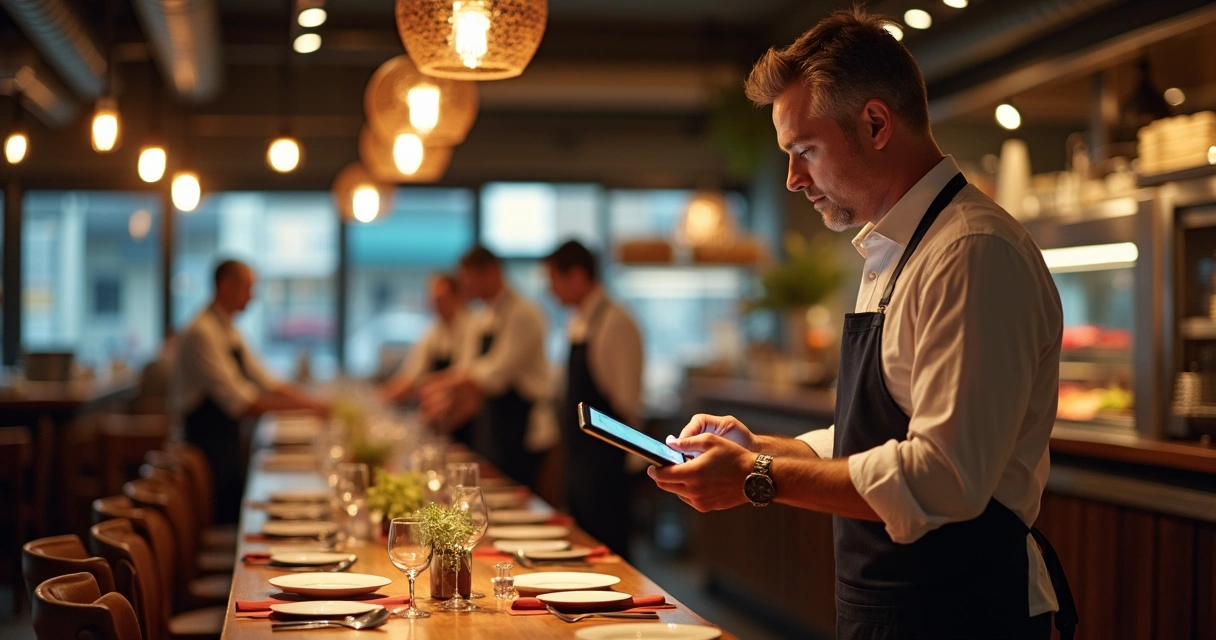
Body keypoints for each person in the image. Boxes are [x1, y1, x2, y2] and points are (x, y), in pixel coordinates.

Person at [649, 10, 1078, 640]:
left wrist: (757, 479)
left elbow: (943, 476)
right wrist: (761, 449)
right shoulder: (895, 249)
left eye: (805, 151)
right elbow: (879, 437)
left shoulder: (972, 251)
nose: (794, 179)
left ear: (876, 123)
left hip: (965, 613)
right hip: (894, 606)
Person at [174, 259, 328, 524]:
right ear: (225, 286)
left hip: (225, 441)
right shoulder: (202, 332)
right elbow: (242, 402)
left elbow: (267, 381)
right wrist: (310, 408)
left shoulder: (228, 329)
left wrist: (312, 403)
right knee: (222, 518)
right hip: (204, 447)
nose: (253, 296)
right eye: (248, 288)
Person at [421, 246, 556, 488]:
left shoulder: (524, 313)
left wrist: (440, 383)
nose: (466, 287)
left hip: (524, 428)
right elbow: (469, 366)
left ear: (492, 272)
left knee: (518, 499)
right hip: (494, 423)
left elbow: (497, 372)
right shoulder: (483, 316)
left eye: (469, 279)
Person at [545, 240, 643, 557]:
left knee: (611, 555)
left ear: (576, 276)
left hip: (606, 463)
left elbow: (626, 401)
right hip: (580, 460)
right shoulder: (578, 321)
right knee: (582, 549)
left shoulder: (616, 322)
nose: (551, 290)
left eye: (554, 280)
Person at [377, 273, 474, 444]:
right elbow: (410, 376)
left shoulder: (473, 327)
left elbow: (466, 376)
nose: (435, 305)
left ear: (457, 297)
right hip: (439, 419)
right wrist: (377, 401)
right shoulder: (433, 331)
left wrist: (432, 387)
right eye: (433, 299)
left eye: (440, 299)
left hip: (468, 420)